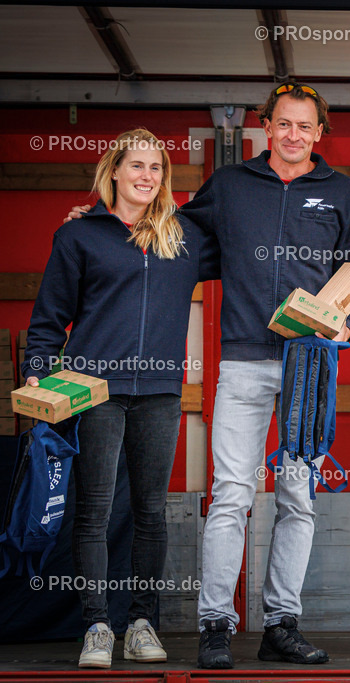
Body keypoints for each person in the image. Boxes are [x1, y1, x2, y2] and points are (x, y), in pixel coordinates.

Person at [66, 82, 350, 668]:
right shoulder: (231, 185)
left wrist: (344, 327)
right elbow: (163, 235)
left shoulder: (343, 193)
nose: (293, 135)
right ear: (266, 125)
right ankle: (215, 625)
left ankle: (282, 623)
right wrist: (100, 221)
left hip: (311, 363)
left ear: (318, 132)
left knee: (298, 497)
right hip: (242, 360)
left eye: (304, 127)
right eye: (283, 124)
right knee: (232, 495)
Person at [24, 129, 219, 669]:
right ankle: (96, 626)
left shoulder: (184, 239)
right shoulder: (80, 237)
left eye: (156, 168)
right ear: (114, 171)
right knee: (93, 512)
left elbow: (249, 257)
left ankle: (141, 623)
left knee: (151, 512)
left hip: (159, 391)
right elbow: (46, 321)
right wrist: (38, 374)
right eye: (136, 166)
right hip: (95, 391)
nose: (146, 177)